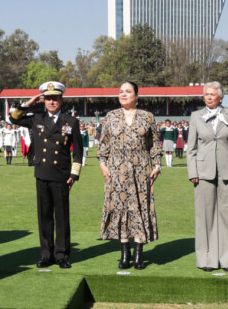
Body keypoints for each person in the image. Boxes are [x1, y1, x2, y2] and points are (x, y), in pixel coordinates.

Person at [10, 81, 83, 269]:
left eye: (55, 98)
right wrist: (29, 103)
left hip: (61, 175)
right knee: (44, 217)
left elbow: (78, 153)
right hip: (42, 173)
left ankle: (62, 255)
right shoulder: (36, 118)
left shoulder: (71, 121)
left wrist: (74, 175)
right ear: (44, 100)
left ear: (61, 100)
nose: (52, 102)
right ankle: (46, 254)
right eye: (48, 98)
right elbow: (14, 118)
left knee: (62, 218)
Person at [97, 81, 161, 269]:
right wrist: (102, 164)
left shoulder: (147, 117)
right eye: (121, 92)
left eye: (128, 91)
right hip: (116, 172)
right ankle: (125, 254)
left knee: (139, 209)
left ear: (136, 95)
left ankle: (139, 255)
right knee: (120, 209)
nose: (123, 94)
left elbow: (154, 145)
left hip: (141, 171)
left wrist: (157, 165)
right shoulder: (111, 117)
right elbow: (103, 145)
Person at [187, 82, 228, 271]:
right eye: (206, 94)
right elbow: (191, 148)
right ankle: (207, 260)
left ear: (221, 97)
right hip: (203, 172)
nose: (209, 97)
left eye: (213, 94)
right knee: (205, 216)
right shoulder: (196, 116)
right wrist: (193, 172)